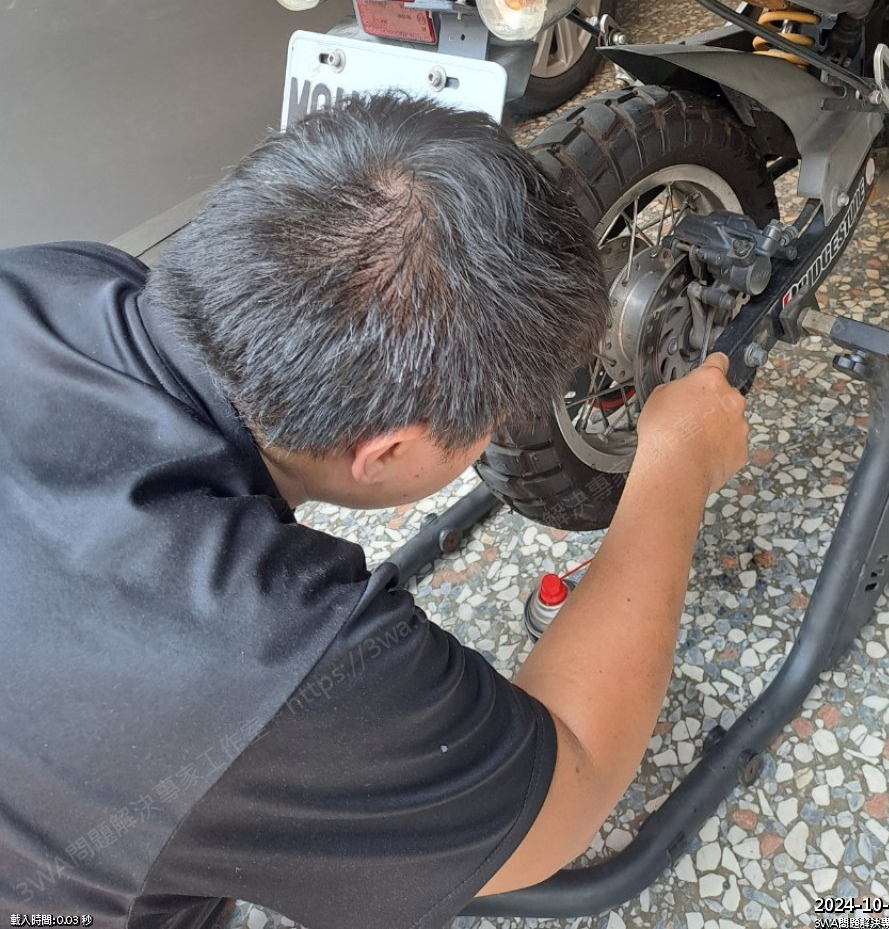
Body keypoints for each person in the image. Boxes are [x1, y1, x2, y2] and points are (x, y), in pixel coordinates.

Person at [0, 92, 748, 929]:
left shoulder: (51, 278)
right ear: (388, 451)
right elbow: (569, 778)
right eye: (494, 423)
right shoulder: (265, 652)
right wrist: (676, 465)